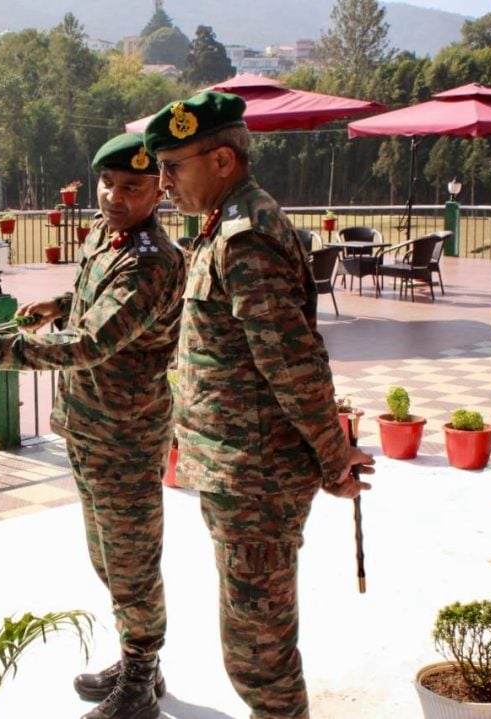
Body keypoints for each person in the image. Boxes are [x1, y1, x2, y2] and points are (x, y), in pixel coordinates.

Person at [0, 133, 186, 719]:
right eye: (107, 183)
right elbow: (92, 300)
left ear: (160, 191)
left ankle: (141, 679)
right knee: (106, 556)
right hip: (88, 423)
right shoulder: (105, 235)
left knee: (131, 561)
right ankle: (139, 658)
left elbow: (92, 343)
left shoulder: (153, 262)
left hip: (126, 434)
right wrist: (59, 304)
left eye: (132, 187)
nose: (114, 197)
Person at [143, 92, 374, 719]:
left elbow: (289, 360)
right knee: (256, 643)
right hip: (242, 471)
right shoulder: (225, 226)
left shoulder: (245, 236)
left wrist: (333, 456)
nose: (163, 183)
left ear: (222, 160)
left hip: (256, 477)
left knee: (258, 654)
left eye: (173, 167)